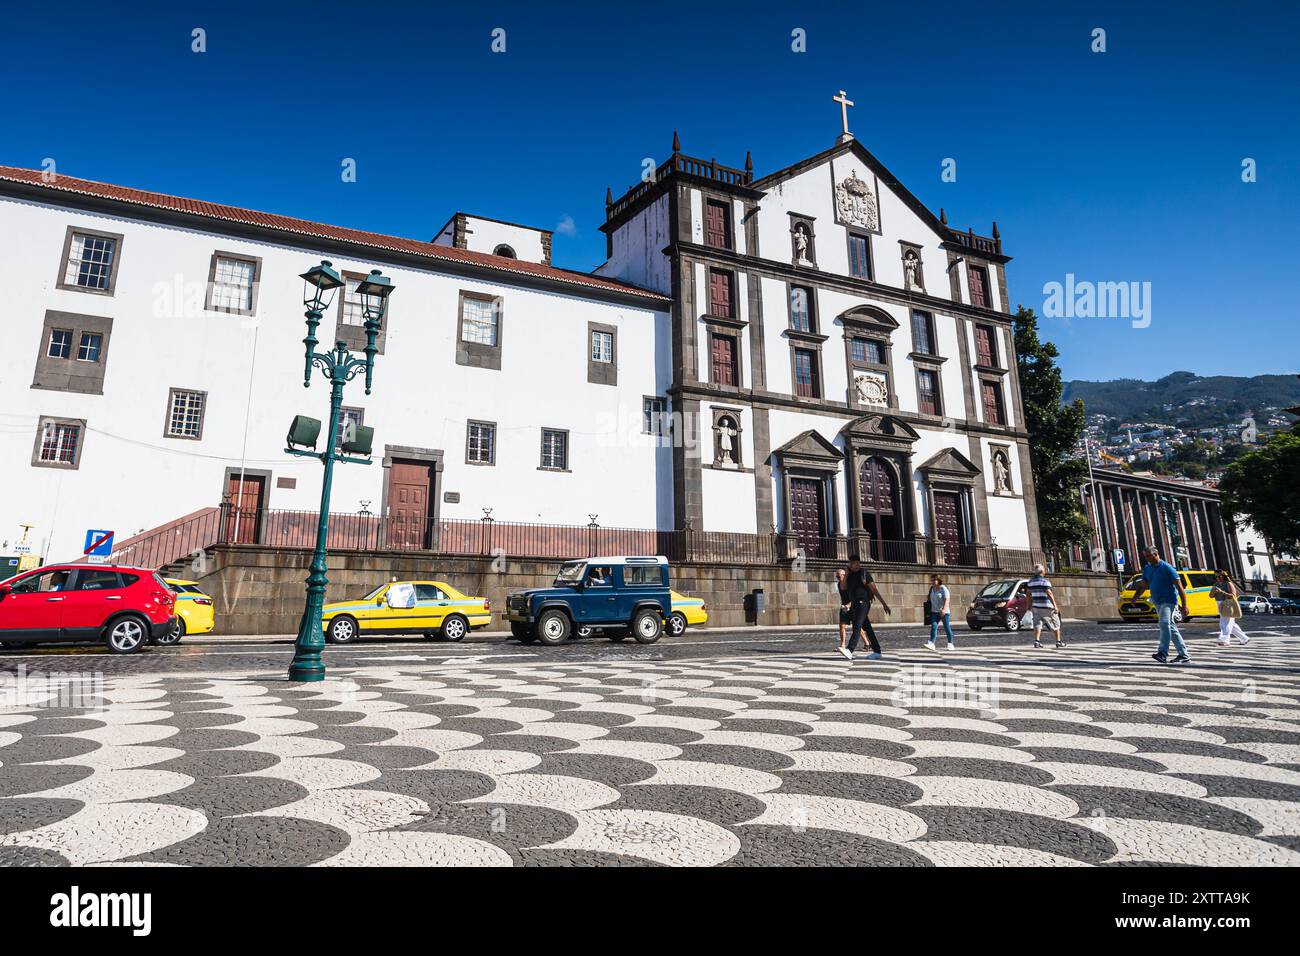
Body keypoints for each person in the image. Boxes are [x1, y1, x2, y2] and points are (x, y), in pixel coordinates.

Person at [1133, 547, 1190, 664]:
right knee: (1170, 627)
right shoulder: (1147, 569)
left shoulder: (1168, 568)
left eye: (1148, 556)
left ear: (1156, 554)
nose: (1147, 559)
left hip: (1169, 601)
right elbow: (1144, 585)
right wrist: (1135, 597)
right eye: (1145, 557)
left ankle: (1162, 653)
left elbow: (1180, 587)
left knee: (1164, 623)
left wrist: (1184, 605)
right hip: (1157, 601)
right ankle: (1184, 655)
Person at [840, 553, 892, 661]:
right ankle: (877, 651)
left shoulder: (864, 573)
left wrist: (884, 604)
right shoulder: (849, 576)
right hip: (855, 604)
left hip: (863, 603)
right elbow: (843, 587)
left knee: (857, 625)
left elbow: (874, 589)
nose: (856, 565)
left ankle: (850, 650)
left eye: (857, 563)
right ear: (850, 564)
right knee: (867, 627)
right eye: (853, 563)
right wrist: (846, 574)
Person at [1026, 564, 1065, 649]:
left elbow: (1028, 595)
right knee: (1056, 623)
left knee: (1037, 624)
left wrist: (1029, 606)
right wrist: (1055, 606)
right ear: (1042, 572)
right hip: (1047, 606)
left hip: (1036, 606)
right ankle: (1058, 641)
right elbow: (1049, 593)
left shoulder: (1030, 582)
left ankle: (1037, 641)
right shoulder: (1045, 582)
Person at [1210, 569, 1250, 647]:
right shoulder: (1216, 584)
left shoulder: (1228, 583)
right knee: (1231, 624)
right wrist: (1214, 591)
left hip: (1228, 604)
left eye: (1219, 576)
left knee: (1225, 623)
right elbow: (1211, 596)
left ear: (1224, 576)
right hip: (1219, 603)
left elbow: (1233, 595)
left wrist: (1222, 592)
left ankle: (1225, 640)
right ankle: (1244, 638)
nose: (1218, 578)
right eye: (1216, 576)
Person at [924, 575, 955, 651]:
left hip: (944, 612)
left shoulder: (943, 588)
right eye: (931, 580)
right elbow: (929, 599)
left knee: (947, 627)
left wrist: (944, 609)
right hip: (934, 611)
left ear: (938, 580)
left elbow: (947, 600)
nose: (932, 582)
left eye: (934, 580)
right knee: (934, 627)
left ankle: (950, 643)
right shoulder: (931, 589)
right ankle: (931, 643)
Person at [834, 568, 853, 654]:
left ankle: (867, 643)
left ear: (844, 575)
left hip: (852, 606)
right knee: (842, 625)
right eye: (836, 577)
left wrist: (849, 605)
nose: (838, 578)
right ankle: (842, 645)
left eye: (839, 576)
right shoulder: (838, 584)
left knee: (857, 627)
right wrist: (844, 606)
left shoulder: (850, 584)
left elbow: (855, 597)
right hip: (844, 607)